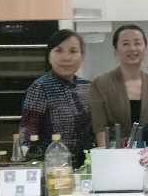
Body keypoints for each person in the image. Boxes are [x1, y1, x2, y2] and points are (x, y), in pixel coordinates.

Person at [19, 29, 93, 165]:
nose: (66, 58)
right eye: (59, 51)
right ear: (49, 56)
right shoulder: (40, 88)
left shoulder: (87, 86)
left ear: (81, 56)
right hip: (52, 166)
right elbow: (27, 136)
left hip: (87, 164)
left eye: (73, 51)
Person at [90, 25, 148, 148]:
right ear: (116, 50)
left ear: (145, 48)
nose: (132, 49)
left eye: (137, 43)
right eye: (125, 44)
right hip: (114, 151)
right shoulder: (101, 84)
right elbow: (100, 128)